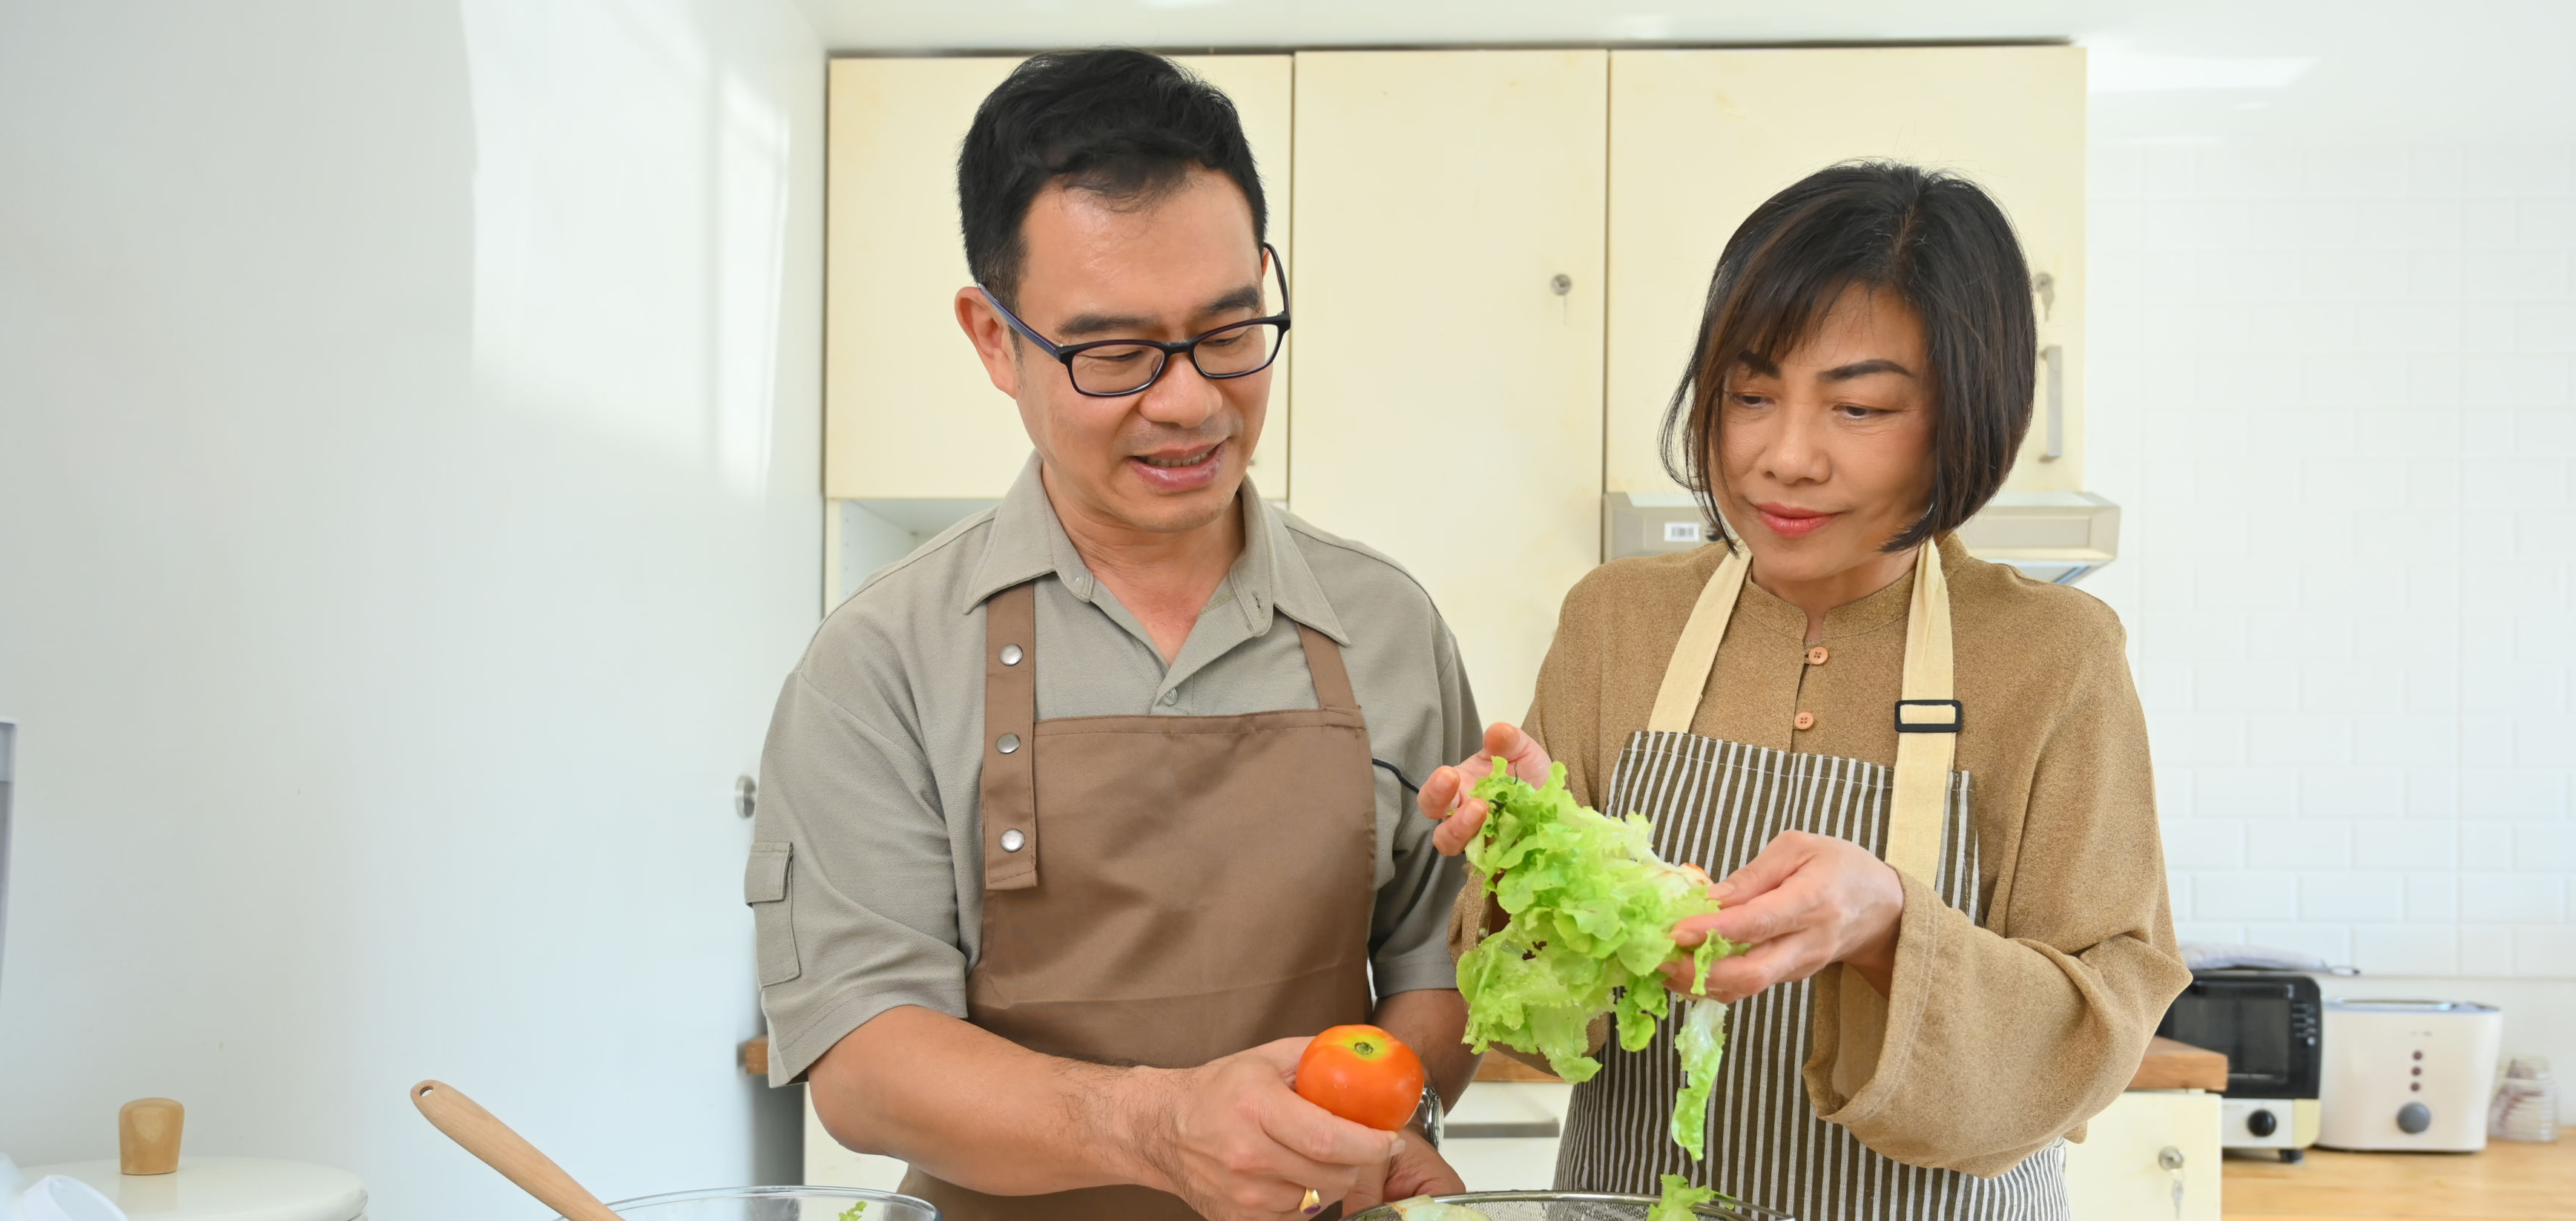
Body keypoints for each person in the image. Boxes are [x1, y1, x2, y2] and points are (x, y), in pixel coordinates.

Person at [748, 49, 1479, 1221]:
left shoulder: (1386, 623)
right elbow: (866, 1061)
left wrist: (1372, 1122)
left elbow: (1436, 971)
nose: (1189, 401)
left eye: (1230, 332)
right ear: (994, 339)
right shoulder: (880, 659)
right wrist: (1157, 1128)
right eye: (1116, 353)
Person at [1420, 162, 2189, 1218]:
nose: (1783, 456)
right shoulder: (1615, 622)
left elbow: (2094, 1032)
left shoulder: (2056, 656)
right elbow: (1533, 1031)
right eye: (1748, 395)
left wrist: (1886, 929)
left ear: (1969, 413)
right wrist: (1534, 856)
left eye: (1860, 406)